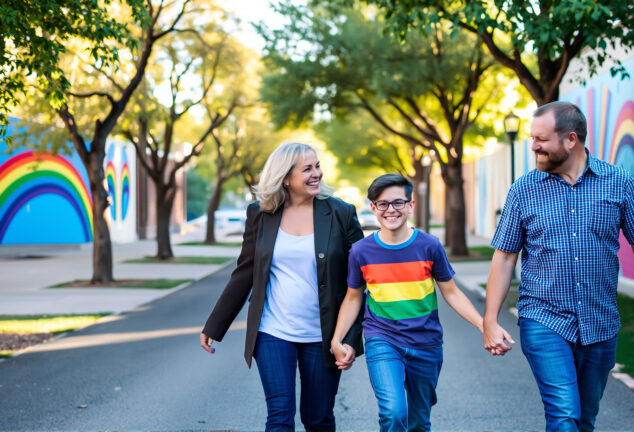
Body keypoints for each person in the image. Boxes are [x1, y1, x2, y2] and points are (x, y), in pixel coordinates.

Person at [483, 102, 634, 432]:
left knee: (584, 419)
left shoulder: (618, 183)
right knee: (564, 414)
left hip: (600, 320)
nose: (533, 146)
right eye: (531, 138)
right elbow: (505, 256)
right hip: (543, 317)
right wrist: (490, 320)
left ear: (571, 139)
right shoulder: (524, 189)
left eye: (541, 139)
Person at [199, 142, 364, 432]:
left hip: (324, 334)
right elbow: (245, 272)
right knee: (279, 416)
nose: (317, 174)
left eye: (317, 166)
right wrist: (215, 325)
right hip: (273, 331)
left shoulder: (341, 213)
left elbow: (359, 281)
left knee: (318, 418)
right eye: (307, 169)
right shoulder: (260, 214)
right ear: (285, 177)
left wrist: (350, 338)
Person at [331, 173, 489, 432]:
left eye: (398, 203)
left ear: (410, 205)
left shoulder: (429, 246)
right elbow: (353, 296)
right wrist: (337, 340)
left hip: (426, 343)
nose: (390, 210)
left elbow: (451, 292)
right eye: (382, 204)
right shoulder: (361, 251)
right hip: (382, 339)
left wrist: (484, 325)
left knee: (418, 421)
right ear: (373, 208)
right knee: (393, 412)